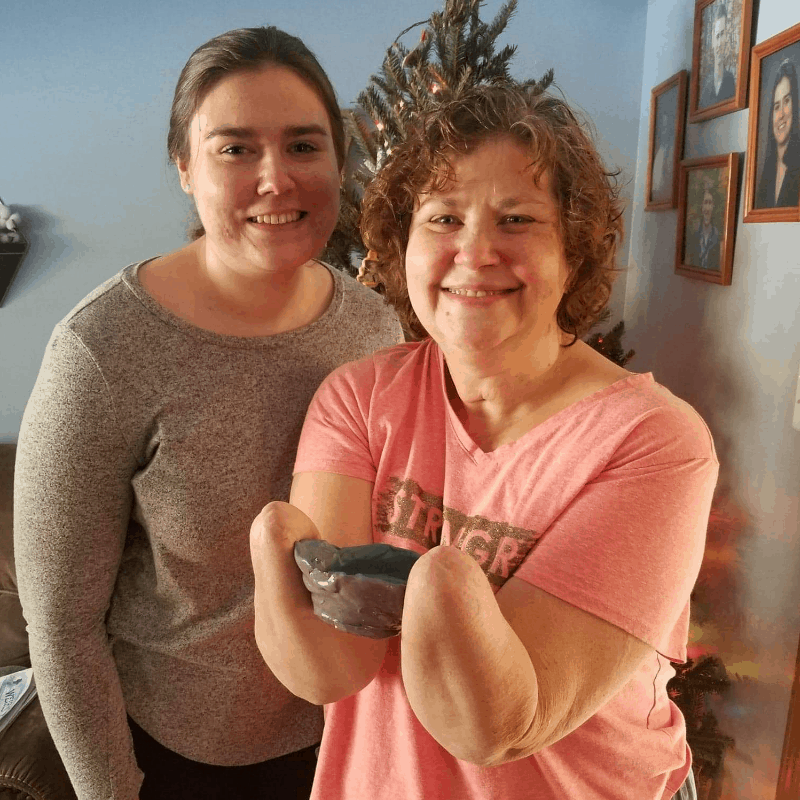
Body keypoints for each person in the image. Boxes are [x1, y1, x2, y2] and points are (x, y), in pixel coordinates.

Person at [250, 84, 717, 800]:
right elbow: (333, 665)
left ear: (573, 251)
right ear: (402, 246)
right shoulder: (357, 398)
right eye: (443, 218)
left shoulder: (652, 441)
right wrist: (276, 568)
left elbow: (500, 726)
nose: (474, 252)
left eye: (517, 218)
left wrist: (440, 587)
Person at [13, 26, 403, 800]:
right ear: (185, 168)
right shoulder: (103, 350)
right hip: (178, 763)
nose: (275, 179)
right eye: (234, 149)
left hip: (352, 739)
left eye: (303, 145)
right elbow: (59, 627)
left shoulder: (374, 329)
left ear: (339, 160)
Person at [755, 57, 800, 209]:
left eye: (787, 101)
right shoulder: (766, 173)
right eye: (776, 106)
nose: (780, 114)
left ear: (795, 106)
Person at [700, 2, 736, 108]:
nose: (720, 43)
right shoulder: (706, 85)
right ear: (713, 41)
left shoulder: (730, 80)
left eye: (723, 34)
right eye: (717, 36)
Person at [686, 187, 721, 270]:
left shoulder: (716, 234)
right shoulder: (694, 233)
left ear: (713, 206)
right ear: (701, 206)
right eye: (705, 203)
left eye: (710, 203)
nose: (707, 208)